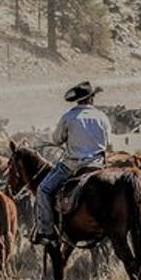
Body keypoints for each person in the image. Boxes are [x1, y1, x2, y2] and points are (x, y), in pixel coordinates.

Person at [33, 81, 110, 246]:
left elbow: (56, 139)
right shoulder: (102, 117)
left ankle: (45, 232)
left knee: (43, 189)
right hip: (98, 165)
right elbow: (107, 141)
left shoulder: (69, 117)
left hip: (74, 166)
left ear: (78, 100)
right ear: (91, 99)